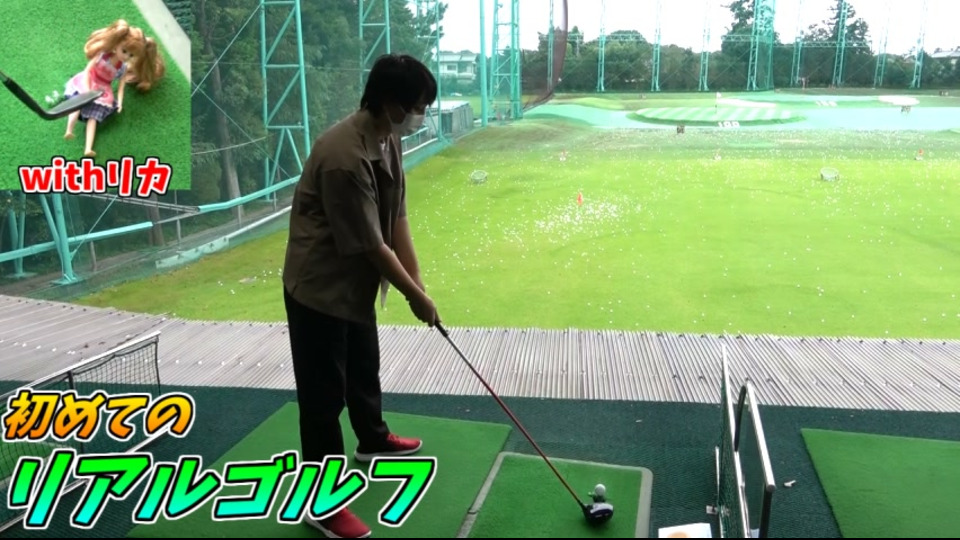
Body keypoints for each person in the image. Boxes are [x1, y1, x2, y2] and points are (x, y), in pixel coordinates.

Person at [282, 53, 440, 539]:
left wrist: (418, 283)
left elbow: (397, 218)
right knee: (322, 401)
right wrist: (414, 298)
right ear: (390, 103)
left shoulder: (388, 138)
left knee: (363, 366)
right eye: (417, 106)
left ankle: (372, 440)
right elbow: (373, 245)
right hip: (318, 290)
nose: (421, 115)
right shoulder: (343, 158)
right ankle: (322, 504)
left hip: (353, 286)